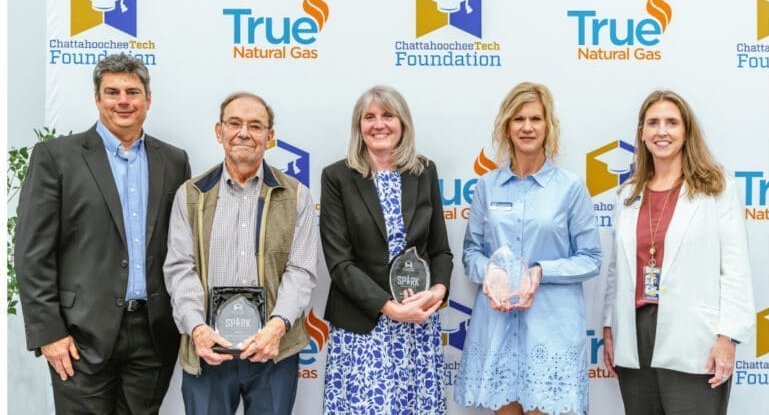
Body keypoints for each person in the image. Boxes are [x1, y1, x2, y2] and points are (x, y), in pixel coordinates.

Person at [14, 54, 191, 413]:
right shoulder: (56, 157)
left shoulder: (173, 161)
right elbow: (33, 253)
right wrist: (49, 333)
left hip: (153, 335)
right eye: (112, 92)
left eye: (132, 92)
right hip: (78, 335)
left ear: (148, 99)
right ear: (97, 99)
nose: (123, 100)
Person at [163, 92, 318, 415]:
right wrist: (196, 329)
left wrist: (276, 328)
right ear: (219, 131)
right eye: (234, 123)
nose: (244, 133)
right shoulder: (191, 195)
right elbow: (180, 269)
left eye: (255, 125)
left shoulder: (296, 196)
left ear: (269, 137)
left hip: (273, 352)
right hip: (209, 350)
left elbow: (301, 271)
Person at [602, 90, 754, 415]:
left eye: (672, 122)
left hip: (694, 335)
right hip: (635, 329)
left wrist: (727, 338)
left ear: (686, 132)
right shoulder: (628, 194)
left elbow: (735, 269)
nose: (662, 131)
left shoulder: (716, 189)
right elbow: (617, 270)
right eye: (653, 123)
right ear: (641, 133)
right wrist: (608, 327)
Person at [454, 82, 602, 415]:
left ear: (548, 126)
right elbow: (471, 252)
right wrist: (490, 273)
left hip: (550, 331)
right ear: (506, 126)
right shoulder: (487, 186)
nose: (527, 126)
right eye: (518, 118)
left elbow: (591, 259)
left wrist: (541, 271)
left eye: (536, 118)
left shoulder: (571, 188)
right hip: (497, 327)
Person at [319, 85, 453, 413]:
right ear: (359, 127)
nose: (379, 124)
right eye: (369, 117)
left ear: (402, 123)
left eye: (388, 115)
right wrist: (390, 309)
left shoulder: (424, 171)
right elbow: (340, 263)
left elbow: (440, 250)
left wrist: (437, 290)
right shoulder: (337, 176)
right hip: (363, 327)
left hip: (416, 328)